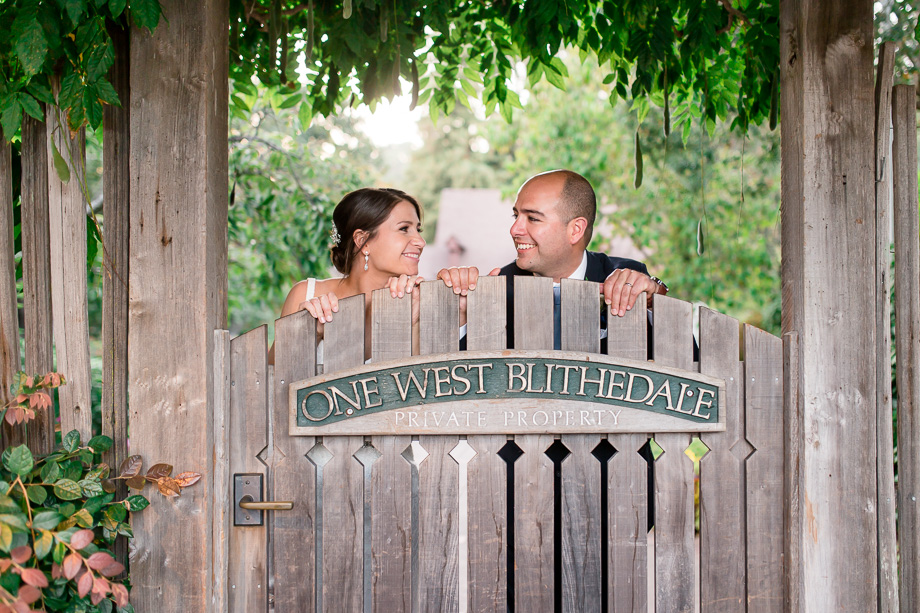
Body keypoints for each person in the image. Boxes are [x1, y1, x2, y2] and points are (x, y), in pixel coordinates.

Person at [434, 169, 668, 347]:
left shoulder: (625, 277)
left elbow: (677, 361)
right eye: (516, 216)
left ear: (575, 230)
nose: (514, 230)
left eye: (533, 218)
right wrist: (462, 317)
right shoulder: (498, 286)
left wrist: (652, 303)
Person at [272, 187, 425, 364]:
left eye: (418, 230)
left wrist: (414, 325)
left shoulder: (420, 299)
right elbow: (269, 376)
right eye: (404, 228)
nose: (421, 242)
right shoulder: (306, 294)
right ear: (363, 241)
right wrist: (310, 333)